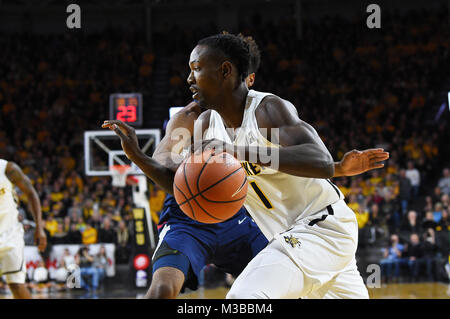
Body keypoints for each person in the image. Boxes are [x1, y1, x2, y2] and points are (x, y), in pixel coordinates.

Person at [102, 34, 389, 299]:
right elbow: (182, 187)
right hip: (295, 238)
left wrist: (238, 151)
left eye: (196, 68)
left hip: (321, 227)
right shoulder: (205, 124)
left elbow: (322, 162)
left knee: (243, 299)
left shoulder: (266, 111)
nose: (189, 78)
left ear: (225, 71)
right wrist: (138, 156)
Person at [0, 159, 47, 299]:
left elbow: (31, 193)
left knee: (17, 285)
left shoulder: (8, 168)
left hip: (10, 235)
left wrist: (39, 227)